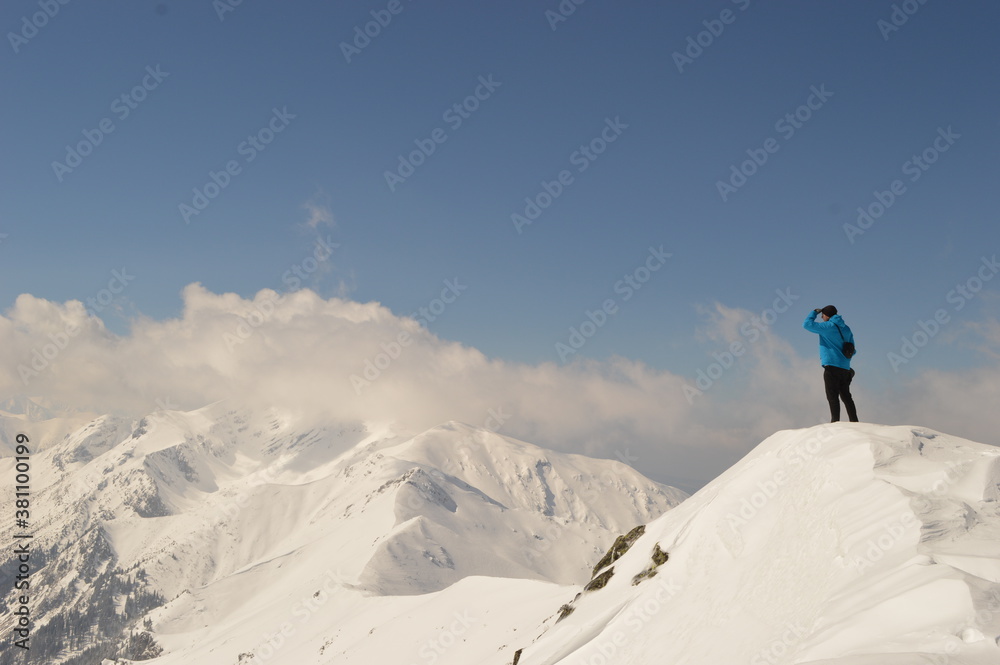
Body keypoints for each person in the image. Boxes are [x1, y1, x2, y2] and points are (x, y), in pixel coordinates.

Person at [803, 305, 859, 422]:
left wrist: (814, 313)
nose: (822, 317)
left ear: (826, 315)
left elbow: (806, 324)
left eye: (822, 315)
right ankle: (854, 421)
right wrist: (844, 359)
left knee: (832, 396)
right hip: (845, 367)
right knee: (846, 396)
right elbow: (853, 350)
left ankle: (835, 422)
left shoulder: (827, 326)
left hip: (831, 367)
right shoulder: (846, 329)